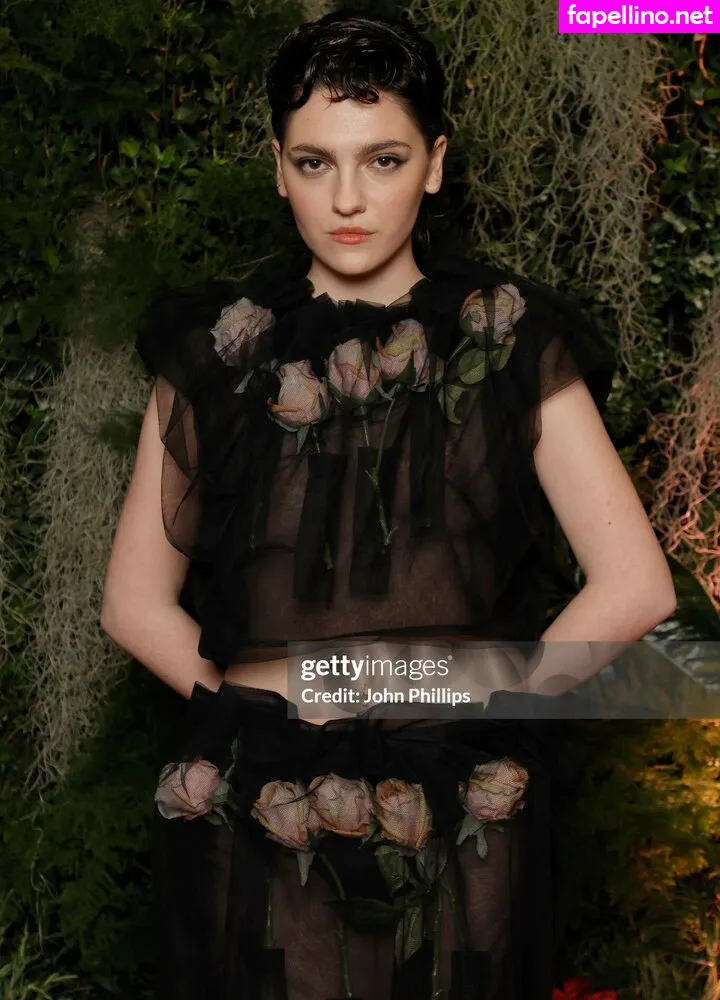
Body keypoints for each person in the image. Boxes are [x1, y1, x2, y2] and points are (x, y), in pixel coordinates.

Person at [101, 8, 677, 999]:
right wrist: (259, 719)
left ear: (436, 164)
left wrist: (483, 710)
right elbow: (131, 604)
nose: (348, 198)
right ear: (277, 168)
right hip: (262, 800)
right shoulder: (218, 351)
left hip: (457, 800)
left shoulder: (507, 340)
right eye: (314, 162)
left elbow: (636, 585)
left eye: (384, 159)